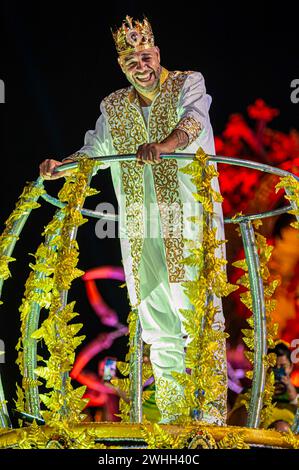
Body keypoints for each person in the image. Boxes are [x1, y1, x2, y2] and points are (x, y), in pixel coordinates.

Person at [39, 16, 226, 424]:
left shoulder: (187, 82)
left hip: (188, 219)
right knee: (156, 321)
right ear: (121, 65)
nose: (140, 65)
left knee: (199, 312)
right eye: (130, 60)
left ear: (157, 53)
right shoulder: (115, 106)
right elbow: (95, 149)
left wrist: (165, 145)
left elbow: (194, 121)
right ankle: (175, 417)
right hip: (140, 226)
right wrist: (62, 166)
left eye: (145, 56)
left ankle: (211, 419)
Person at [228, 342, 299, 432]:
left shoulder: (296, 393)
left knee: (282, 427)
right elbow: (234, 423)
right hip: (259, 439)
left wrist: (295, 398)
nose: (276, 371)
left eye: (282, 367)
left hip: (290, 441)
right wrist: (259, 397)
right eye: (272, 367)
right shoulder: (251, 392)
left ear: (291, 367)